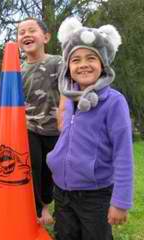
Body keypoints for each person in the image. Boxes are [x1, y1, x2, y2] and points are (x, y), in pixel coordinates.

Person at [47, 17, 134, 240]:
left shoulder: (114, 102)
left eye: (91, 58)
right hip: (62, 191)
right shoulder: (68, 98)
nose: (83, 64)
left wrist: (121, 201)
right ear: (68, 65)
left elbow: (123, 154)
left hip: (95, 195)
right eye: (75, 59)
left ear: (103, 63)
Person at [17, 17, 63, 225]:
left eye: (31, 30)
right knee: (33, 168)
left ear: (46, 37)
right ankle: (37, 210)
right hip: (30, 128)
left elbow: (69, 90)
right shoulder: (18, 70)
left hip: (57, 128)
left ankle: (50, 204)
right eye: (21, 32)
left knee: (52, 169)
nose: (26, 34)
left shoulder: (57, 62)